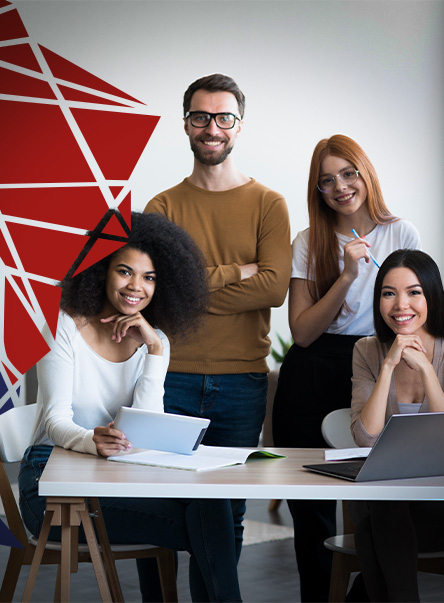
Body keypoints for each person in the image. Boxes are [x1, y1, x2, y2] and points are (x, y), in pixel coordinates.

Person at [18, 211, 242, 603]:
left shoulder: (154, 340)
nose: (136, 286)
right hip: (51, 488)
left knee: (211, 506)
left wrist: (153, 349)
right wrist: (93, 441)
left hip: (112, 478)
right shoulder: (64, 325)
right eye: (125, 272)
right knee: (208, 522)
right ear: (101, 271)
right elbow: (54, 420)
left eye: (150, 277)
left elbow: (144, 430)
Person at [144, 73, 291, 563]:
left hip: (241, 383)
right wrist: (237, 272)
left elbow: (272, 288)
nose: (212, 127)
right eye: (201, 117)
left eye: (223, 117)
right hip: (172, 377)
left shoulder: (269, 204)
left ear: (239, 125)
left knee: (227, 511)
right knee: (165, 510)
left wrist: (193, 286)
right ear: (185, 124)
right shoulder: (162, 206)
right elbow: (160, 294)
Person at [271, 134, 421, 601]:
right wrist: (348, 276)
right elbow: (303, 332)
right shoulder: (307, 240)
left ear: (365, 172)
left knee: (377, 499)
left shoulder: (401, 233)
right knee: (309, 505)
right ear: (317, 191)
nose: (340, 186)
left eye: (348, 173)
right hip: (312, 369)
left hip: (377, 364)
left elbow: (414, 311)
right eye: (326, 181)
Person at [348, 249, 444, 602]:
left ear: (431, 296)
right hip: (383, 502)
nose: (400, 304)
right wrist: (389, 367)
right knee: (385, 505)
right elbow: (364, 438)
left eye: (414, 292)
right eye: (388, 293)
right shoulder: (367, 350)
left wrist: (424, 368)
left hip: (443, 504)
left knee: (369, 533)